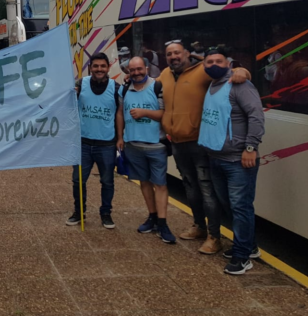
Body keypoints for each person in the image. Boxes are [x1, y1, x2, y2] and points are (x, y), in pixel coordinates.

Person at [159, 40, 249, 255]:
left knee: (208, 191)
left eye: (177, 53)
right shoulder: (164, 74)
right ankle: (199, 226)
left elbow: (229, 70)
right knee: (191, 188)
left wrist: (242, 70)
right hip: (178, 143)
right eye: (170, 54)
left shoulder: (203, 71)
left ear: (187, 53)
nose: (174, 57)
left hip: (200, 143)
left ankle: (214, 236)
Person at [197, 48, 265, 274]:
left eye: (219, 61)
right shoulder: (212, 84)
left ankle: (242, 257)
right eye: (209, 61)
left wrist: (250, 147)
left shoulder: (240, 84)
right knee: (230, 206)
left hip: (237, 160)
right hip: (216, 157)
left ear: (229, 63)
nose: (213, 64)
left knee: (240, 207)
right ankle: (249, 246)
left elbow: (256, 115)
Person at [120, 57, 176, 243]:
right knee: (144, 182)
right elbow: (120, 113)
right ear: (128, 72)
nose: (136, 73)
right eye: (132, 70)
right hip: (133, 145)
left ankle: (163, 223)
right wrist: (120, 137)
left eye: (139, 69)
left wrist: (145, 113)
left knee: (160, 184)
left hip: (156, 145)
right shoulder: (125, 89)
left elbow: (165, 114)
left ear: (146, 68)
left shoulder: (157, 87)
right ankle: (152, 217)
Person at [67, 53, 123, 229]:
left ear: (108, 68)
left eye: (103, 66)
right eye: (96, 66)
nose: (99, 69)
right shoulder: (80, 84)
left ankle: (105, 213)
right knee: (78, 180)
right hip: (83, 143)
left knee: (107, 181)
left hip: (106, 144)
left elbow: (120, 113)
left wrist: (120, 138)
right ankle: (79, 211)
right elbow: (68, 104)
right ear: (90, 67)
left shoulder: (116, 88)